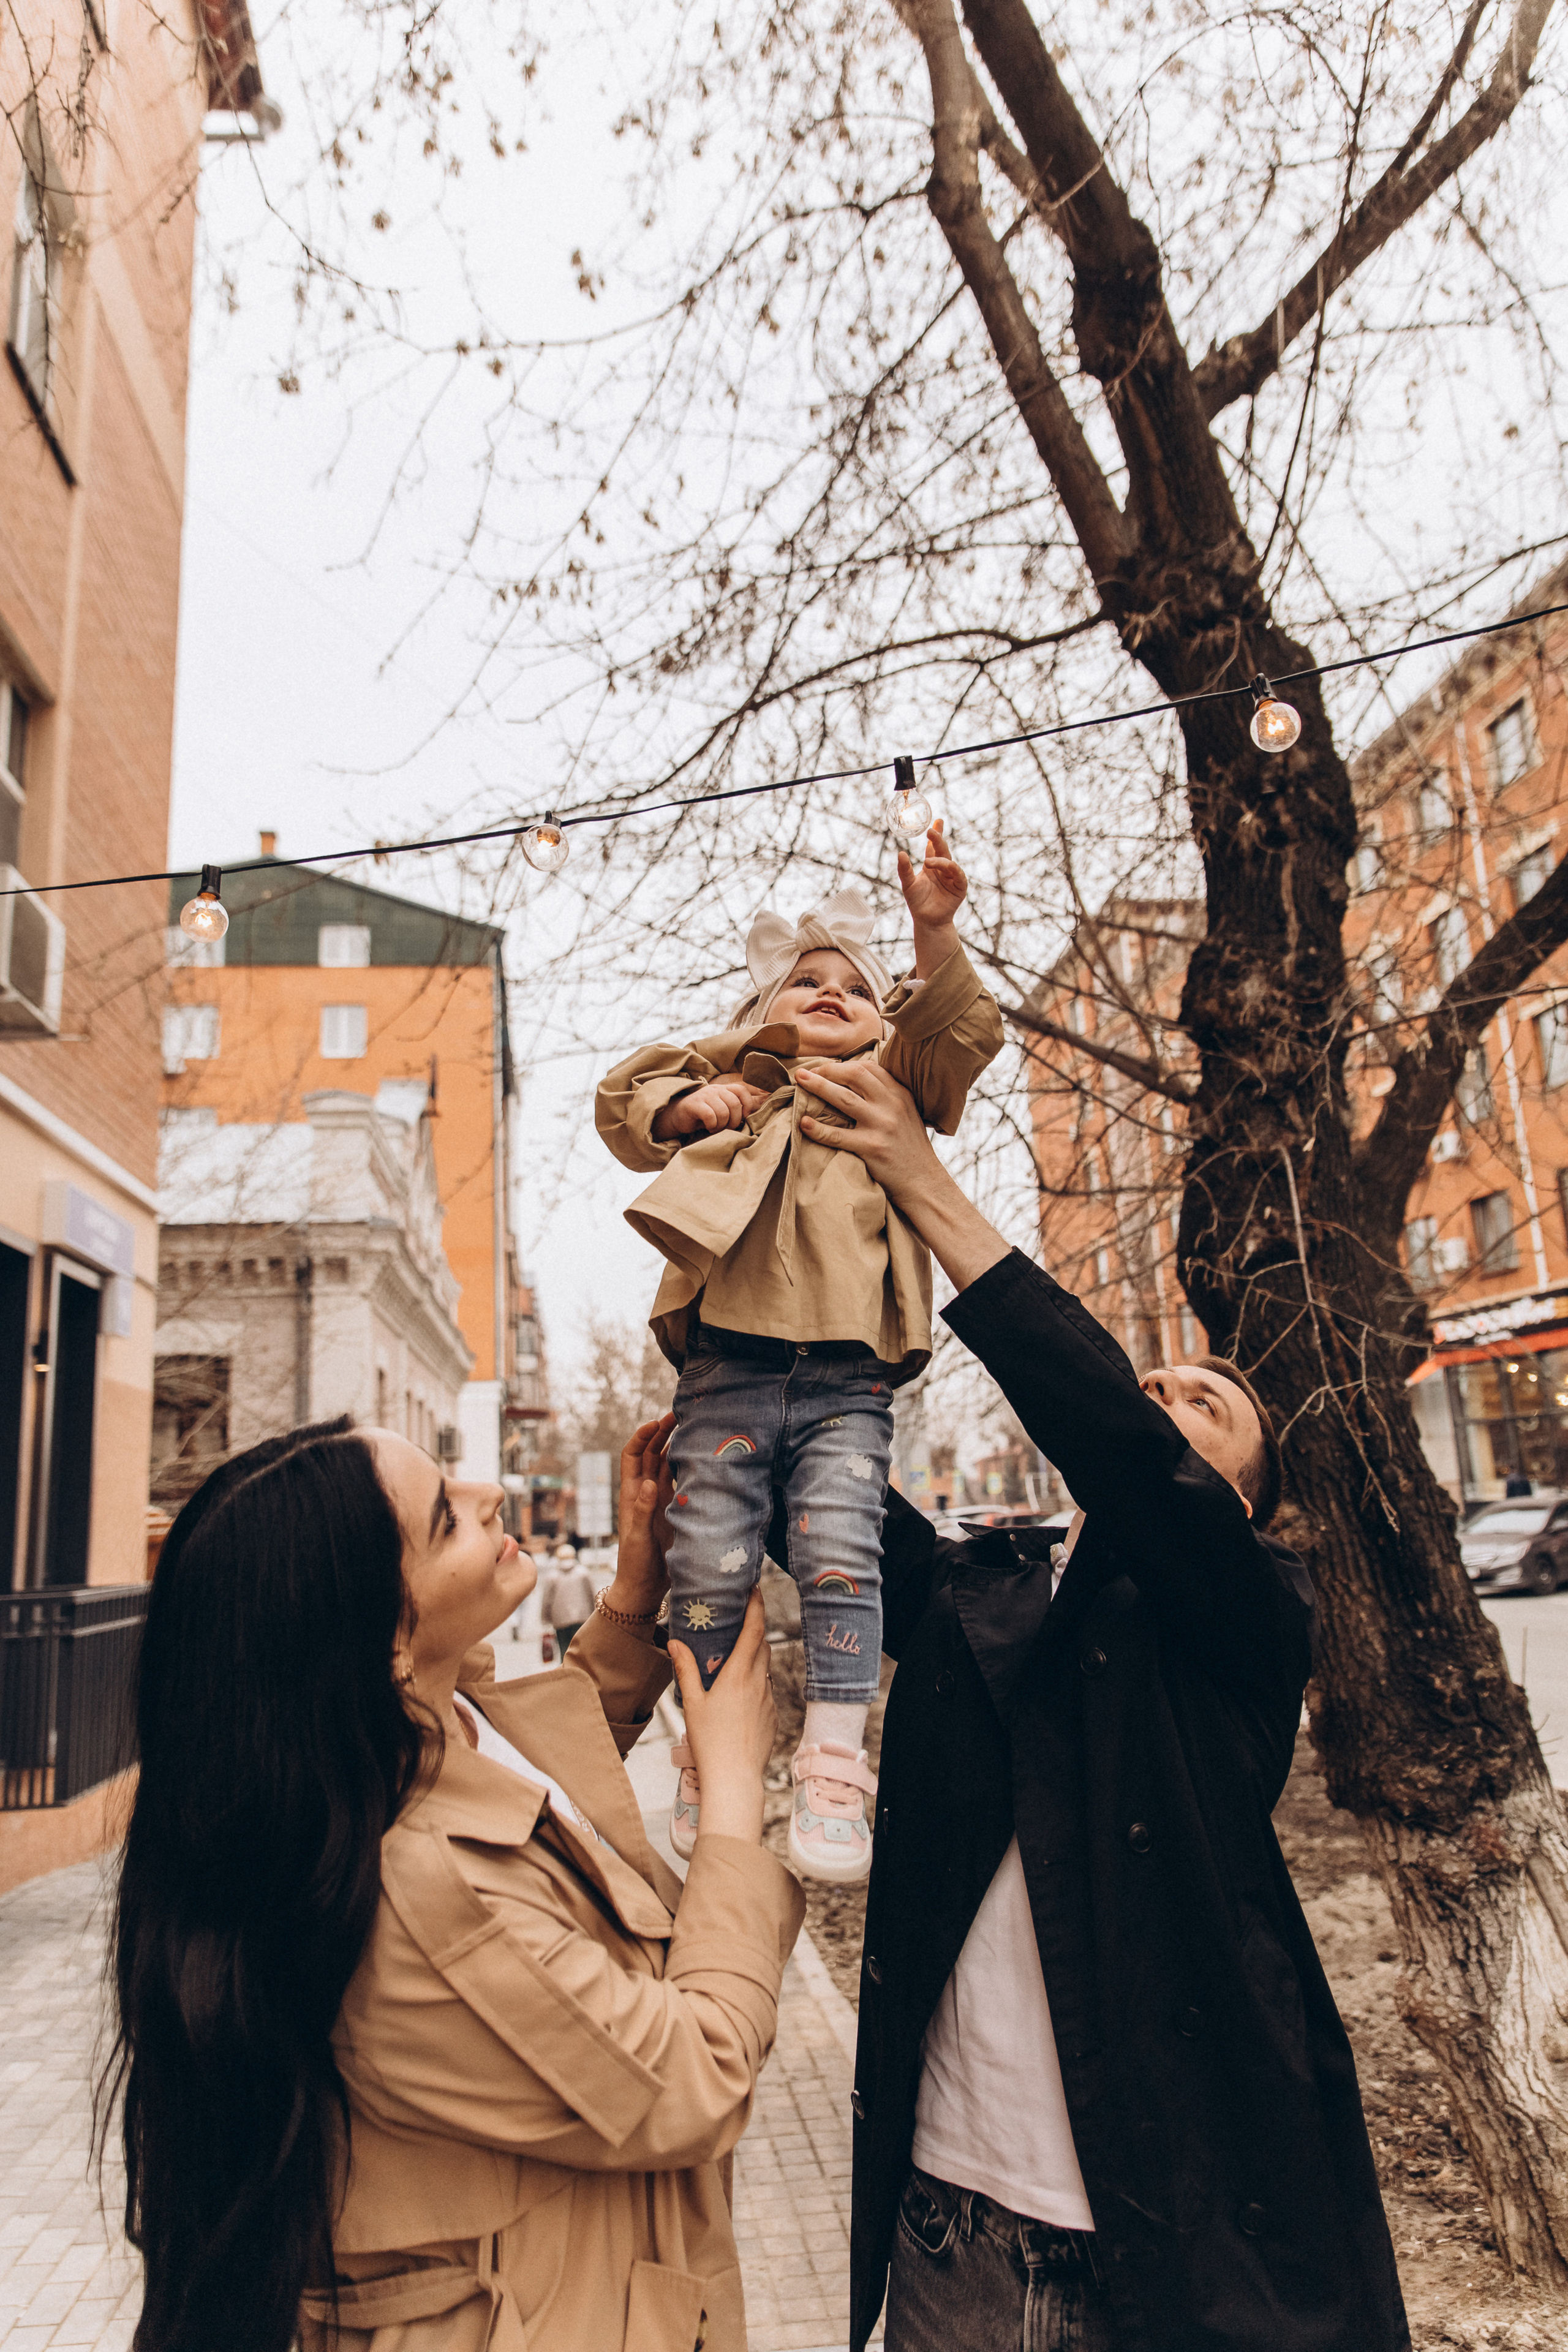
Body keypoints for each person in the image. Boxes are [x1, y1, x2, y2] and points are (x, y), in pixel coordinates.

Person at [788, 1056, 1409, 2352]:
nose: (1164, 1404)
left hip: (1160, 2257)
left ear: (1243, 1501)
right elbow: (833, 1514)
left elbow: (1128, 1461)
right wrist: (738, 1353)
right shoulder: (986, 1592)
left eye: (1205, 1406)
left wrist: (922, 1180)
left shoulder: (1251, 1611)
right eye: (1156, 1390)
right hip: (947, 2228)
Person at [105, 1414, 801, 2352]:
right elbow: (697, 2074)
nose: (492, 1494)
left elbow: (533, 1788)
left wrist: (636, 1595)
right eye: (445, 1518)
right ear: (387, 1638)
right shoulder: (419, 1891)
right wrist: (734, 1788)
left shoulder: (394, 1745)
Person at [596, 830, 1002, 1882]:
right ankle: (709, 1743)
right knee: (707, 1563)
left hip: (846, 1381)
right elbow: (627, 1100)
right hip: (725, 1370)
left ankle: (832, 1761)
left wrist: (933, 932)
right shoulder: (739, 1076)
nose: (833, 994)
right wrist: (688, 1107)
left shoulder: (895, 1081)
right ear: (762, 1009)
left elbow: (958, 1032)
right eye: (807, 981)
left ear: (885, 1019)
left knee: (842, 1554)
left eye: (858, 988)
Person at [540, 1536, 598, 1656]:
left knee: (565, 1651)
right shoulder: (583, 1573)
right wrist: (595, 1615)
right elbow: (592, 1595)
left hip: (560, 1619)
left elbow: (547, 1600)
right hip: (583, 1617)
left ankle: (566, 1667)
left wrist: (545, 1618)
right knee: (581, 1651)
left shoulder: (552, 1576)